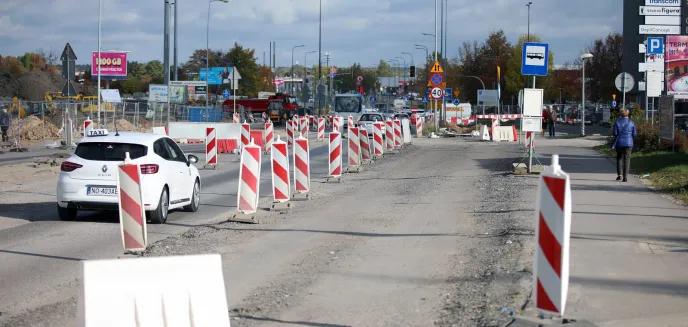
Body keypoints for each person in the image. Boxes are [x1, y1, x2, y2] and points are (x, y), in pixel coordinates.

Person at [612, 108, 637, 182]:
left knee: (619, 158)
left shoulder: (617, 122)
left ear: (620, 114)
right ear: (628, 114)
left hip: (619, 142)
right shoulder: (631, 122)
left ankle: (619, 175)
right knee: (627, 159)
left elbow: (615, 133)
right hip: (629, 143)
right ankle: (625, 177)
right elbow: (634, 134)